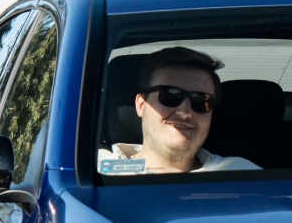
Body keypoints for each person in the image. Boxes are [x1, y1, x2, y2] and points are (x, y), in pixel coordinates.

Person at [99, 47, 259, 175]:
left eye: (200, 100)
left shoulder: (241, 173)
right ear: (141, 105)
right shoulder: (98, 169)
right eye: (170, 95)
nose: (185, 112)